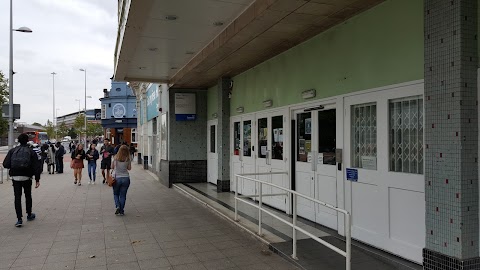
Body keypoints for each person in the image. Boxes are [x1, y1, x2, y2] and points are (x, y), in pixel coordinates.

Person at [3, 133, 42, 227]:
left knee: (17, 197)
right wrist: (37, 179)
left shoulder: (13, 151)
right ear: (27, 140)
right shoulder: (31, 151)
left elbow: (5, 164)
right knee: (28, 195)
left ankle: (19, 219)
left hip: (15, 177)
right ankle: (29, 214)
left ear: (18, 141)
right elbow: (37, 167)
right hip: (27, 176)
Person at [111, 145, 132, 216]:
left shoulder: (115, 158)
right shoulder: (128, 159)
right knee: (123, 195)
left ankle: (117, 206)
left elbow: (112, 167)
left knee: (116, 194)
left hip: (117, 178)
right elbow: (129, 168)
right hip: (126, 178)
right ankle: (122, 211)